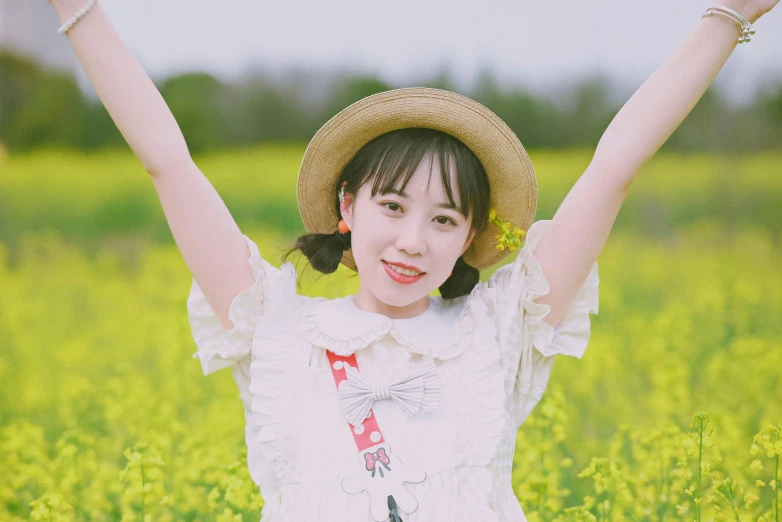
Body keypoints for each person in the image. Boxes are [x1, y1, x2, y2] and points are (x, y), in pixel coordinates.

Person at [47, 0, 779, 520]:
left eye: (444, 219)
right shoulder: (276, 330)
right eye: (392, 207)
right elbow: (168, 164)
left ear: (469, 238)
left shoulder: (497, 332)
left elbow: (614, 167)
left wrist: (726, 17)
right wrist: (76, 9)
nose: (411, 241)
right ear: (347, 207)